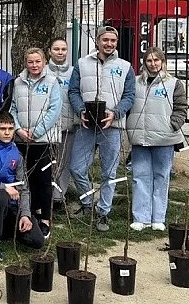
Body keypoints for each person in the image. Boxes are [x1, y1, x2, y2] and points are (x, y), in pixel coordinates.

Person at [68, 26, 135, 232]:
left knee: (109, 172)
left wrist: (115, 113)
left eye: (113, 40)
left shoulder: (125, 67)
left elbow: (130, 96)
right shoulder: (82, 64)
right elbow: (73, 91)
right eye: (105, 40)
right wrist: (80, 110)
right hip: (86, 125)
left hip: (111, 127)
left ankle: (104, 212)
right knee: (77, 168)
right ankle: (88, 203)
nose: (109, 44)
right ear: (97, 41)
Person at [125, 48, 187, 232]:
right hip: (140, 138)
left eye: (156, 60)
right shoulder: (135, 82)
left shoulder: (174, 83)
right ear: (144, 62)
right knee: (140, 177)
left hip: (165, 138)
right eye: (149, 60)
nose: (153, 64)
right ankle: (141, 217)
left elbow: (181, 107)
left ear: (163, 61)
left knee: (161, 176)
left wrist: (173, 125)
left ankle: (158, 217)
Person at [0, 111, 45, 262]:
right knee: (1, 196)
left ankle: (6, 229)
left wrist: (25, 214)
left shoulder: (16, 154)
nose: (7, 133)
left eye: (10, 129)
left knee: (37, 241)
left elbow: (24, 188)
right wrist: (3, 187)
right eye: (2, 129)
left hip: (13, 204)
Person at [8, 47, 62, 238]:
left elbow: (54, 110)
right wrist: (18, 130)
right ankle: (29, 214)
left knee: (43, 180)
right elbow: (12, 108)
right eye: (30, 62)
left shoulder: (53, 82)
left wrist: (37, 131)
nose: (34, 65)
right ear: (26, 63)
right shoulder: (18, 82)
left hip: (43, 140)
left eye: (37, 61)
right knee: (25, 179)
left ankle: (45, 219)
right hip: (22, 140)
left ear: (44, 62)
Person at [47, 37, 77, 209]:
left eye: (63, 49)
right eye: (56, 49)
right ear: (50, 51)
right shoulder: (41, 70)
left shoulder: (74, 72)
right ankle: (46, 194)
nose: (60, 52)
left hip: (67, 125)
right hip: (47, 127)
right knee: (48, 162)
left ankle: (59, 197)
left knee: (64, 162)